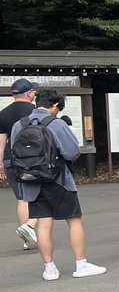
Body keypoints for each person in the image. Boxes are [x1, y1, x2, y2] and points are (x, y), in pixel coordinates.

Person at [9, 91, 106, 280]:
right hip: (59, 180)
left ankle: (50, 269)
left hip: (31, 182)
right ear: (54, 106)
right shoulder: (56, 123)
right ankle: (81, 265)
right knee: (75, 221)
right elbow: (71, 152)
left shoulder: (18, 125)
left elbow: (14, 153)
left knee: (44, 225)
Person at [1, 78, 42, 250]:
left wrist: (1, 164)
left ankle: (27, 239)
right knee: (40, 195)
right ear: (30, 93)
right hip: (34, 158)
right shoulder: (36, 112)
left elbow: (1, 140)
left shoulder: (3, 113)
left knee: (22, 198)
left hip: (11, 157)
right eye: (34, 92)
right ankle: (29, 227)